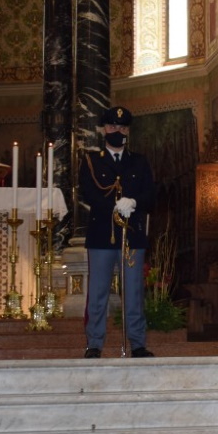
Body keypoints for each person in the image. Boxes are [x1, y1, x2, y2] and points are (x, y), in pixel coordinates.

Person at [80, 106, 156, 358]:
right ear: (104, 129)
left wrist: (133, 202)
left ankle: (137, 343)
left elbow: (151, 194)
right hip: (102, 234)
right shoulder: (91, 160)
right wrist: (113, 205)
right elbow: (88, 193)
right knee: (98, 292)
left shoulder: (139, 161)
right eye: (113, 127)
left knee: (133, 291)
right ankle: (94, 343)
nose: (118, 131)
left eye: (123, 128)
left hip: (132, 234)